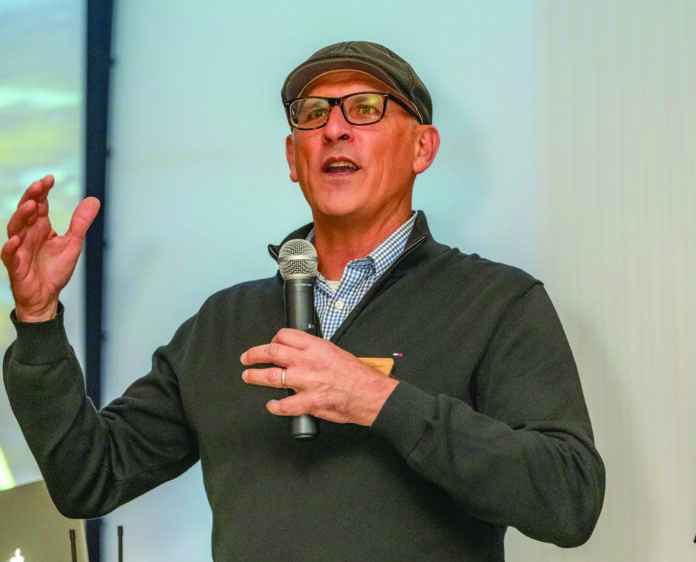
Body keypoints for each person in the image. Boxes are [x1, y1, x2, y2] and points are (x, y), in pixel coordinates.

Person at [2, 41, 604, 560]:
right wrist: (37, 319)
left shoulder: (496, 303)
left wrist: (382, 401)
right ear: (295, 159)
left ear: (423, 148)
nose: (334, 130)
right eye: (313, 115)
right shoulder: (223, 322)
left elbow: (569, 498)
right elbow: (89, 477)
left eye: (365, 109)